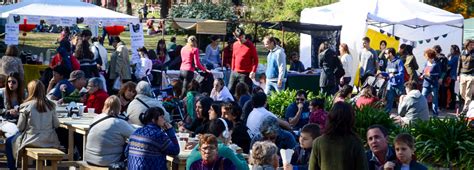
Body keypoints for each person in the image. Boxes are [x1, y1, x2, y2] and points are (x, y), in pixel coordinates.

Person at [5, 80, 60, 170]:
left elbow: (20, 127)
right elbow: (56, 124)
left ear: (30, 91)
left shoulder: (25, 106)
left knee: (8, 141)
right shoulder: (51, 105)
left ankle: (12, 168)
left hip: (31, 140)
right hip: (49, 140)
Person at [309, 102, 368, 170]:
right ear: (351, 119)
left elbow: (312, 168)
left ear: (330, 118)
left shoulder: (318, 142)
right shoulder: (356, 142)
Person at [85, 95, 135, 166]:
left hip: (89, 159)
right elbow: (135, 135)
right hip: (107, 161)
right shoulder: (119, 122)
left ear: (105, 105)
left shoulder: (96, 118)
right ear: (119, 107)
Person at [228, 28, 259, 94]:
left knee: (243, 93)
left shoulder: (250, 45)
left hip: (245, 73)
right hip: (234, 72)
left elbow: (256, 60)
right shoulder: (235, 44)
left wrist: (253, 71)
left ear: (244, 35)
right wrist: (232, 69)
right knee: (230, 90)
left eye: (241, 37)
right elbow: (234, 57)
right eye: (238, 37)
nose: (240, 39)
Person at [383, 47, 405, 113]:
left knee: (401, 101)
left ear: (390, 54)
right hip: (391, 84)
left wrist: (394, 75)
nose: (385, 55)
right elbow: (387, 73)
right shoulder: (388, 61)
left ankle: (403, 116)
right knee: (389, 101)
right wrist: (381, 74)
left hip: (399, 85)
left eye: (386, 53)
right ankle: (385, 117)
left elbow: (401, 74)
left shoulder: (399, 61)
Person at [420, 48, 441, 116]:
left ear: (430, 56)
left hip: (434, 84)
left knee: (435, 100)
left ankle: (435, 115)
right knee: (422, 98)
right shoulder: (426, 63)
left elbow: (438, 74)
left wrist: (430, 75)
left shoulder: (436, 64)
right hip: (426, 83)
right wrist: (423, 75)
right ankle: (422, 113)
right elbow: (424, 71)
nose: (425, 57)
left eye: (426, 56)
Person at [457, 39, 474, 113]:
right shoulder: (462, 53)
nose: (472, 46)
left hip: (471, 75)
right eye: (471, 45)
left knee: (468, 92)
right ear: (467, 45)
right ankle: (470, 103)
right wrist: (458, 75)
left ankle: (465, 108)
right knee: (462, 93)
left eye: (473, 45)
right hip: (463, 74)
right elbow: (459, 64)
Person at [433, 45, 449, 110]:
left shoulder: (440, 58)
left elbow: (444, 69)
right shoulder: (444, 58)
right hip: (441, 77)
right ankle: (441, 106)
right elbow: (445, 69)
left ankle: (439, 106)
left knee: (439, 92)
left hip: (439, 77)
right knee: (441, 92)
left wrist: (441, 78)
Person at [446, 45, 460, 110]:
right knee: (450, 90)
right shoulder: (454, 57)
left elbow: (449, 63)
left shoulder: (455, 57)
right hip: (452, 75)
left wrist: (447, 57)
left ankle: (452, 105)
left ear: (455, 50)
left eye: (451, 49)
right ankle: (451, 104)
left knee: (451, 90)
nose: (450, 51)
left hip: (452, 76)